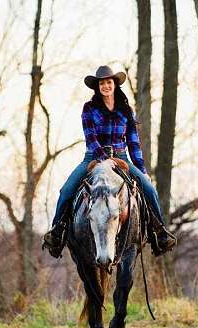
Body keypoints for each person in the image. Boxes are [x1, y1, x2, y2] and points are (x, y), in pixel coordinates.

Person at [42, 65, 176, 258]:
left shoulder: (125, 110)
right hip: (94, 157)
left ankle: (159, 233)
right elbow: (91, 138)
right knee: (66, 190)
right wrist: (105, 160)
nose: (105, 86)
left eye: (109, 82)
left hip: (122, 158)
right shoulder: (89, 109)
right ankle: (57, 233)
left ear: (115, 85)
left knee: (149, 188)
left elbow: (133, 141)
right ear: (97, 87)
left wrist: (141, 168)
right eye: (102, 83)